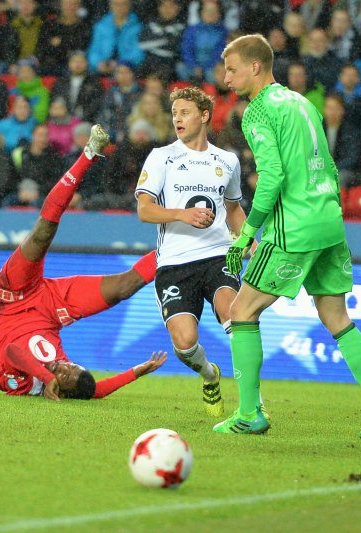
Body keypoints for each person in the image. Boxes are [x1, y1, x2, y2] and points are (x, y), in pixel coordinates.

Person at [217, 34, 361, 437]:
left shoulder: (257, 112)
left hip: (295, 228)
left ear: (255, 66)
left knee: (242, 311)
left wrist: (247, 231)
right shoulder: (303, 103)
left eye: (232, 69)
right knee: (336, 317)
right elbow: (331, 168)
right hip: (329, 219)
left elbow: (272, 176)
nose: (226, 78)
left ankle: (250, 413)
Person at [0, 124, 165, 400]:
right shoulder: (67, 375)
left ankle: (88, 155)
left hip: (13, 298)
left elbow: (12, 352)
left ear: (59, 390)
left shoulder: (16, 384)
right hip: (51, 307)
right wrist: (135, 372)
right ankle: (178, 245)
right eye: (75, 369)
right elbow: (96, 391)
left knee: (42, 234)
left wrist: (45, 378)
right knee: (122, 289)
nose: (67, 368)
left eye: (66, 376)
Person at [135, 86, 247, 418]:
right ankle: (210, 375)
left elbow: (234, 209)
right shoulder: (161, 157)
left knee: (234, 313)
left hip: (219, 254)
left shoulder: (227, 160)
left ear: (204, 116)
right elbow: (144, 210)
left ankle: (252, 405)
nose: (178, 119)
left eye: (185, 113)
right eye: (175, 114)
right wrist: (181, 214)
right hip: (175, 263)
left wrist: (248, 242)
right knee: (185, 342)